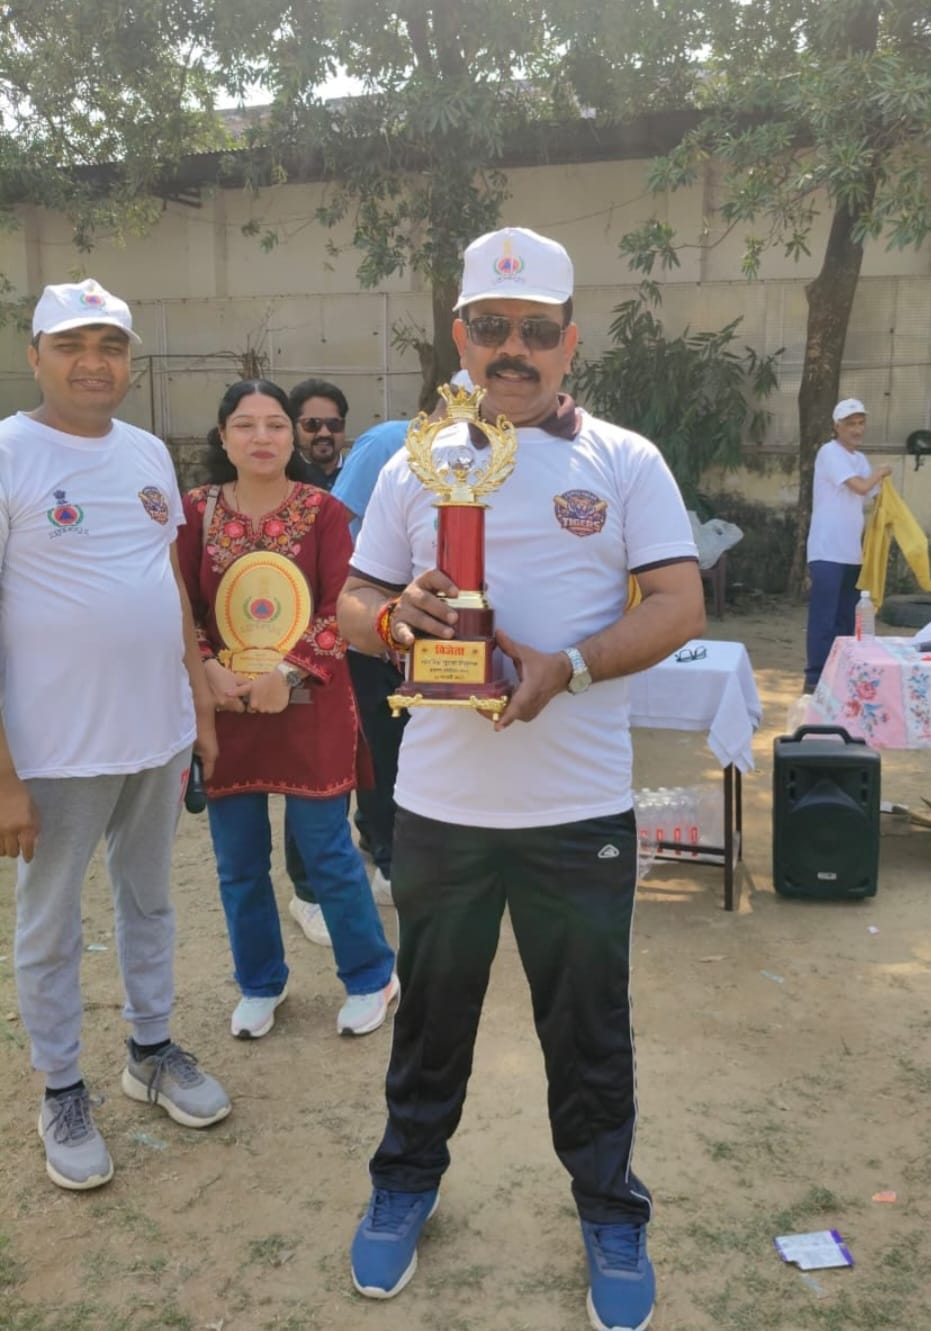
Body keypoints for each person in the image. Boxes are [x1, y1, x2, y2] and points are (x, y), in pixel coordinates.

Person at [337, 227, 705, 1331]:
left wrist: (571, 665)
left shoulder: (625, 460)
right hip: (440, 806)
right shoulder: (414, 461)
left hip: (576, 807)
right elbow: (353, 602)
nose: (514, 348)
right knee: (429, 1017)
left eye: (536, 330)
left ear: (569, 342)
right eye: (491, 326)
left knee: (588, 1024)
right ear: (460, 335)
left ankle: (609, 1209)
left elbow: (678, 603)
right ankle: (405, 1181)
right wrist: (396, 623)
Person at [0, 278, 230, 1193]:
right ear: (36, 357)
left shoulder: (146, 453)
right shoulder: (8, 453)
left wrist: (199, 709)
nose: (93, 363)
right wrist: (4, 778)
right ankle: (62, 1087)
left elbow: (168, 585)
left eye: (111, 346)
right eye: (71, 345)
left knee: (149, 902)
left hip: (156, 732)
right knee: (50, 924)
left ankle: (151, 1049)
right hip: (54, 750)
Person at [176, 379, 398, 1042]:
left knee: (327, 849)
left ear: (292, 436)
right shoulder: (195, 513)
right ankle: (259, 982)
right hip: (226, 706)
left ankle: (371, 976)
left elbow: (341, 607)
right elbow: (181, 605)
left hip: (310, 702)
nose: (262, 437)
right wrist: (206, 667)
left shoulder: (324, 512)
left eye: (275, 424)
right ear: (223, 437)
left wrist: (286, 672)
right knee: (238, 859)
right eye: (245, 425)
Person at [331, 416, 412, 904]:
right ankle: (387, 858)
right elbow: (335, 521)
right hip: (375, 627)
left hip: (445, 641)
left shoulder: (505, 453)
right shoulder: (387, 445)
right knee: (381, 751)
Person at [804, 399, 892, 691]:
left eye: (861, 423)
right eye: (850, 423)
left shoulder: (860, 459)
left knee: (846, 621)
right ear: (836, 426)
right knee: (824, 619)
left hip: (852, 554)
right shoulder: (829, 453)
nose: (857, 429)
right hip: (827, 551)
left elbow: (875, 496)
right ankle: (814, 680)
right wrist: (880, 473)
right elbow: (862, 486)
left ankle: (840, 678)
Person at [289, 377, 349, 490]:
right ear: (294, 428)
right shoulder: (282, 479)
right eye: (312, 424)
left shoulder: (360, 475)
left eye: (333, 424)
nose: (324, 433)